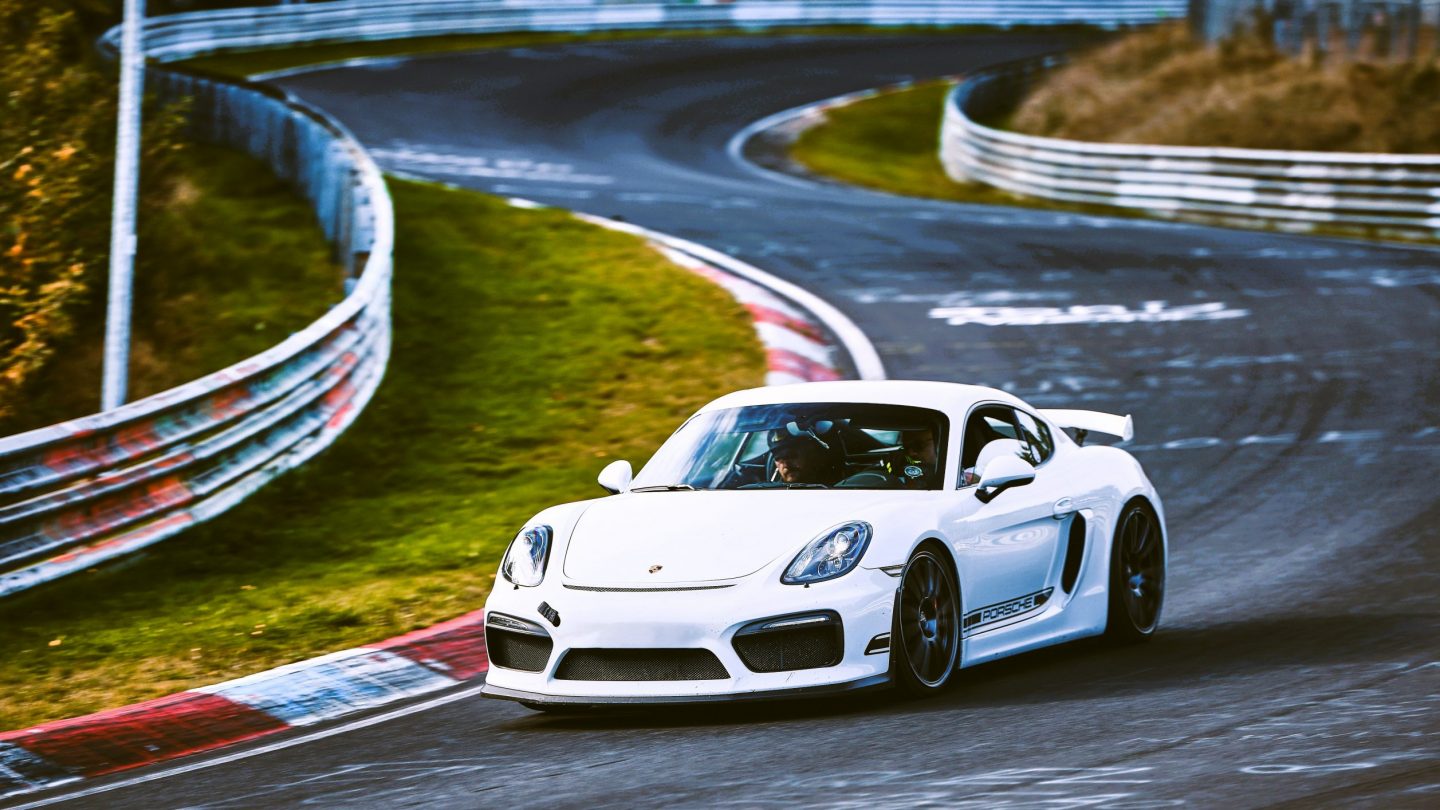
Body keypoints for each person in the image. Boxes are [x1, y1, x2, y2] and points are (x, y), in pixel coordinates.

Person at [769, 431, 842, 486]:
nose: (786, 464)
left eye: (791, 455)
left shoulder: (833, 486)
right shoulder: (773, 494)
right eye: (778, 458)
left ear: (807, 453)